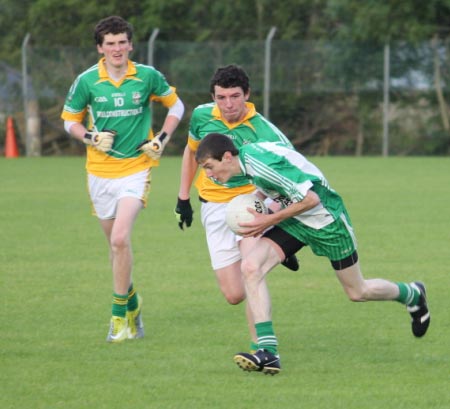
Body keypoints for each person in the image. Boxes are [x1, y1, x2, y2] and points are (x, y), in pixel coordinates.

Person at [195, 133, 431, 375]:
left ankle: (412, 293)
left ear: (226, 157)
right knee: (251, 267)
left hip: (327, 221)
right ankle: (268, 352)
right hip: (296, 221)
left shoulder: (260, 164)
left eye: (209, 167)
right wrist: (254, 203)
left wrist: (268, 219)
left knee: (357, 291)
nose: (208, 175)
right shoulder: (246, 162)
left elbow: (311, 198)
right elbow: (276, 180)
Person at [61, 16, 184, 343]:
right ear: (100, 48)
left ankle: (118, 319)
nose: (117, 49)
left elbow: (177, 105)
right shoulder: (87, 81)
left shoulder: (146, 76)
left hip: (136, 169)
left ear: (130, 44)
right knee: (116, 248)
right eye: (110, 44)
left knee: (119, 239)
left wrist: (162, 138)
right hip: (99, 174)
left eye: (121, 42)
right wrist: (89, 137)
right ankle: (132, 301)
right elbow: (69, 121)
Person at [175, 65, 299, 349]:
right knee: (233, 294)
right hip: (213, 206)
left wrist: (272, 210)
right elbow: (192, 153)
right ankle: (277, 252)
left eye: (235, 96)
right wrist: (183, 197)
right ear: (213, 97)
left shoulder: (265, 131)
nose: (228, 104)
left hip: (250, 203)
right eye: (221, 97)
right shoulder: (202, 116)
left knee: (251, 270)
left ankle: (262, 347)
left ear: (247, 95)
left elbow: (294, 171)